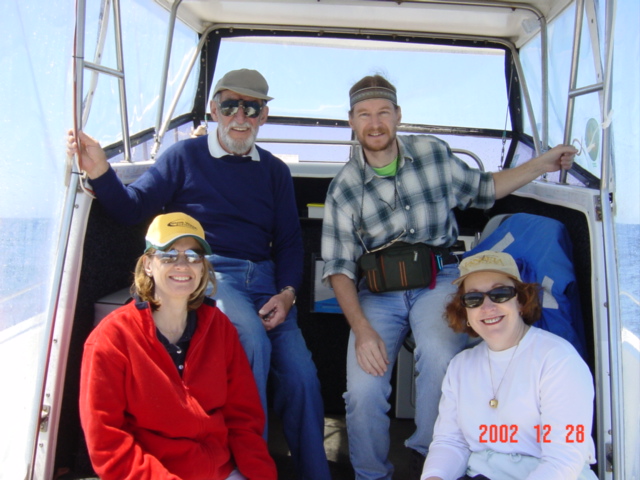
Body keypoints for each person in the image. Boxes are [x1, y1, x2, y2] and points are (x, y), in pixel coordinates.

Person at [69, 69, 330, 479]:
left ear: (264, 115)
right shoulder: (183, 157)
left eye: (252, 107)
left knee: (303, 378)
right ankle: (250, 466)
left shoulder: (275, 172)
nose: (239, 116)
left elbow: (290, 243)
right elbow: (133, 208)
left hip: (268, 284)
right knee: (249, 340)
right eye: (230, 105)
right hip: (210, 271)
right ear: (213, 109)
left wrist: (287, 294)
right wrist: (101, 171)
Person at [321, 74, 578, 479]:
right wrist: (362, 329)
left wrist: (542, 164)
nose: (375, 123)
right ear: (351, 121)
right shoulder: (344, 189)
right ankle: (371, 473)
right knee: (363, 389)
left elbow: (485, 189)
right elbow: (338, 268)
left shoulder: (433, 154)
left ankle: (431, 458)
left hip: (437, 279)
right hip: (378, 294)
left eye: (383, 112)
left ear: (398, 116)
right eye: (364, 114)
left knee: (441, 356)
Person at [79, 212, 277, 480]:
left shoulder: (219, 327)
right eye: (169, 255)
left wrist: (261, 475)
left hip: (221, 472)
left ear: (203, 267)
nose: (183, 264)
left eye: (194, 256)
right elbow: (108, 443)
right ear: (148, 264)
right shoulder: (112, 338)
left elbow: (243, 419)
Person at [421, 250, 597, 480]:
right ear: (465, 311)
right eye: (473, 299)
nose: (487, 306)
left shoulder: (558, 359)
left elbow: (564, 462)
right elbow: (450, 442)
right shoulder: (460, 366)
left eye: (500, 294)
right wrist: (434, 476)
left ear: (522, 301)